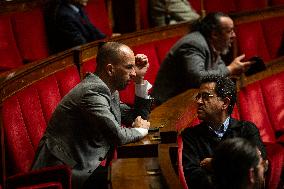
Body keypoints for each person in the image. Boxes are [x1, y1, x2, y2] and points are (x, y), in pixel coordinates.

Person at [31, 42, 153, 189]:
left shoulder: (108, 89)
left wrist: (140, 81)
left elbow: (137, 118)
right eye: (129, 67)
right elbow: (118, 135)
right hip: (64, 173)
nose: (133, 73)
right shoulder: (92, 92)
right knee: (137, 178)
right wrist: (141, 130)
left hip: (85, 164)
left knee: (142, 172)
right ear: (110, 69)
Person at [181, 75, 267, 189]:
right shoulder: (190, 135)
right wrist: (237, 169)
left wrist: (217, 165)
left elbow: (260, 166)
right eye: (198, 96)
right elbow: (195, 178)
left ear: (225, 103)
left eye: (206, 96)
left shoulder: (247, 129)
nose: (199, 101)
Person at [151, 12, 253, 105]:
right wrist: (230, 69)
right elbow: (197, 77)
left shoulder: (212, 44)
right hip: (167, 106)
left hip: (188, 101)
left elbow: (219, 68)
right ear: (215, 34)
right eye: (229, 31)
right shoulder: (194, 44)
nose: (234, 35)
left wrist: (233, 70)